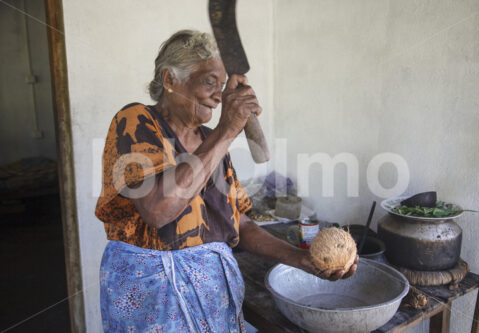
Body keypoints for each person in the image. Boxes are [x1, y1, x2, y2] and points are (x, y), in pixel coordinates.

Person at [95, 29, 357, 332]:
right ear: (169, 80)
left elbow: (241, 224)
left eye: (221, 85)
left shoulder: (210, 141)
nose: (219, 96)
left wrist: (301, 260)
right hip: (154, 301)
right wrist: (228, 130)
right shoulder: (136, 120)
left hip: (213, 297)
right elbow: (158, 210)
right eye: (209, 82)